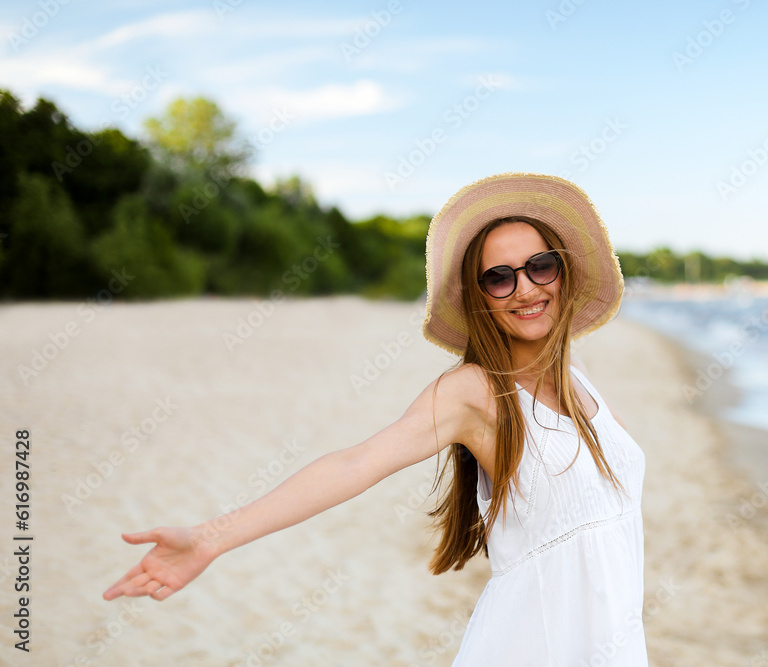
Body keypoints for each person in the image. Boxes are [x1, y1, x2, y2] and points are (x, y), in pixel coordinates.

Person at [104, 172, 648, 665]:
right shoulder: (474, 393)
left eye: (540, 266)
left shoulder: (581, 384)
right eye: (500, 277)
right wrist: (210, 537)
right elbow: (357, 462)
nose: (526, 288)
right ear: (480, 297)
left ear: (564, 272)